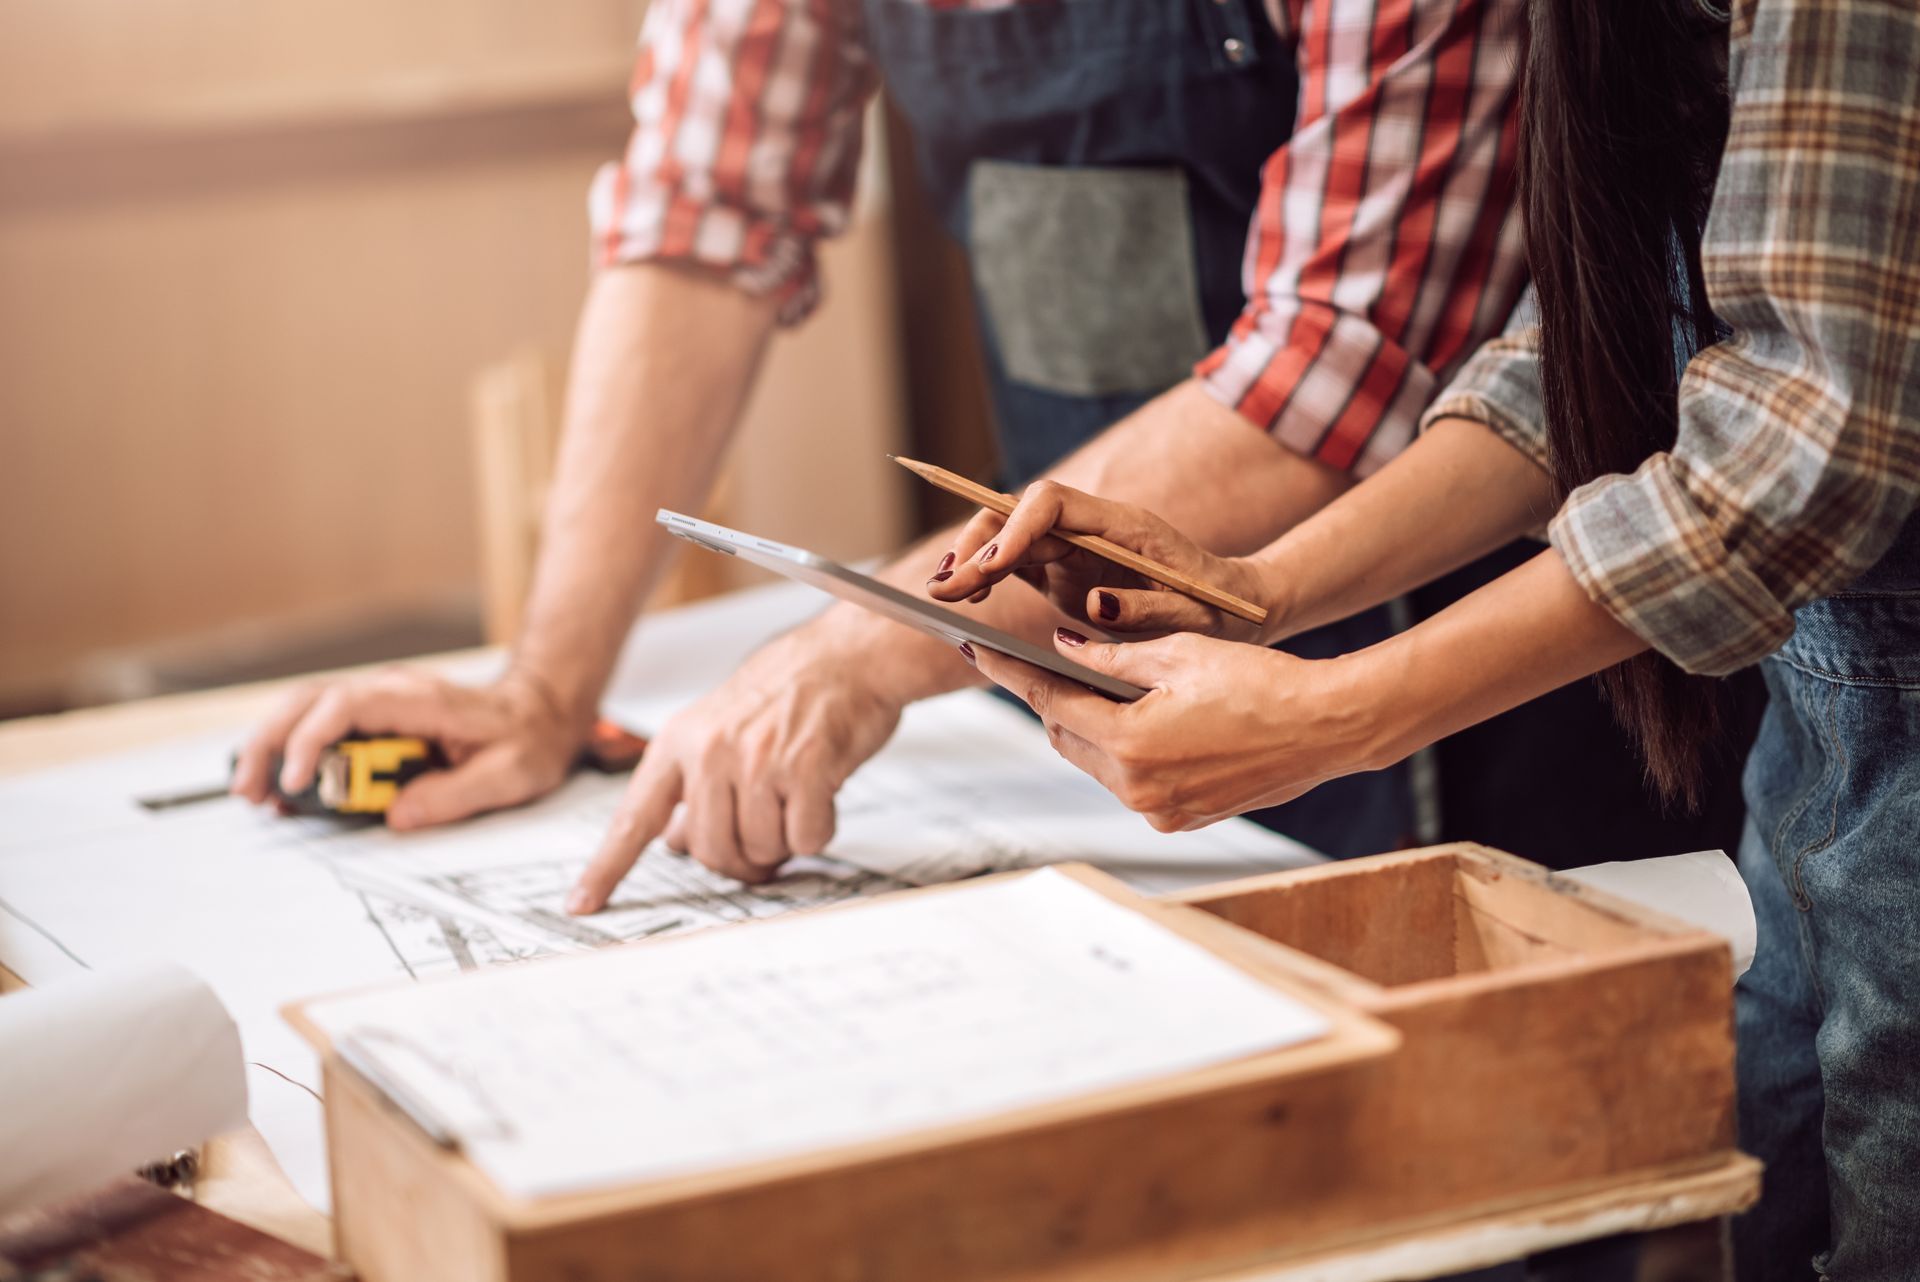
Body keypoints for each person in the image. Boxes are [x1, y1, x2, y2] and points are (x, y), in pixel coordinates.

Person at [232, 0, 1744, 901]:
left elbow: (1327, 373)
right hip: (1051, 665)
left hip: (1478, 654)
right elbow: (700, 219)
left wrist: (856, 647)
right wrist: (544, 682)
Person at [937, 0, 1919, 1275]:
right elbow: (1580, 359)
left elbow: (1800, 446)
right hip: (1817, 761)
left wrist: (1333, 714)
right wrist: (1252, 589)